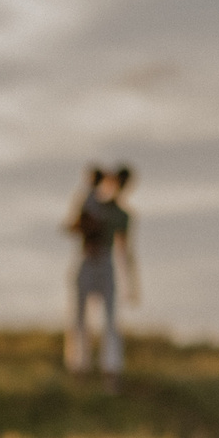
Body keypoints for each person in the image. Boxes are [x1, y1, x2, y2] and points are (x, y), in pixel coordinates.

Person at [63, 162, 139, 393]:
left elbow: (125, 251)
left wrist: (132, 283)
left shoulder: (122, 215)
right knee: (79, 318)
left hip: (106, 263)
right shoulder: (91, 203)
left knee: (110, 320)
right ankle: (79, 368)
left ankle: (111, 371)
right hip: (87, 260)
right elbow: (71, 227)